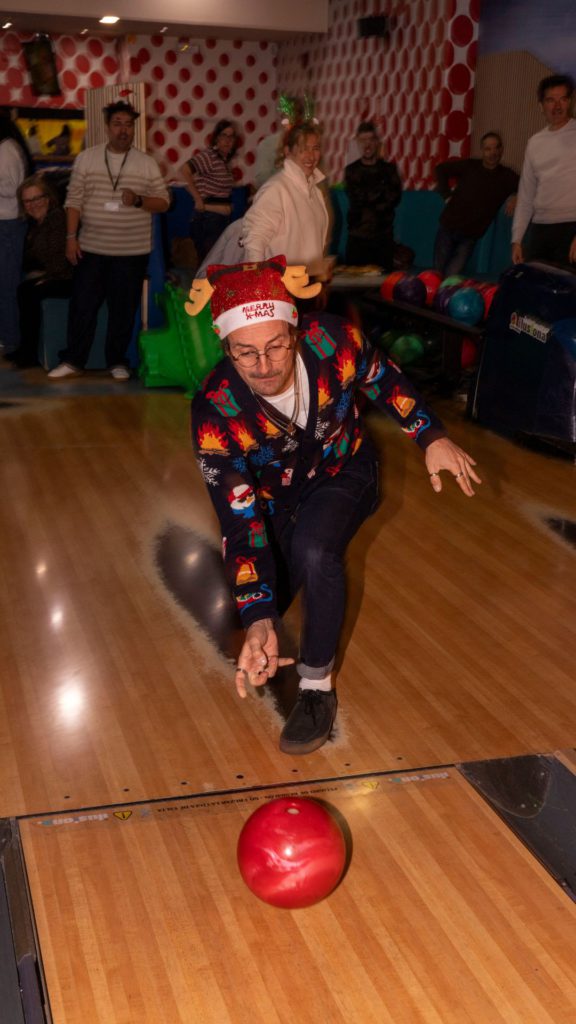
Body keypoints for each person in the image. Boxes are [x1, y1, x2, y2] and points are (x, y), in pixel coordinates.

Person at [189, 256, 480, 755]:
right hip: (272, 501)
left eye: (276, 345)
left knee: (315, 551)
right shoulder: (216, 411)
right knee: (257, 609)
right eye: (245, 353)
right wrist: (259, 617)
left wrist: (429, 435)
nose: (264, 365)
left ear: (295, 330)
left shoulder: (334, 341)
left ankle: (317, 687)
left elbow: (385, 379)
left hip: (345, 470)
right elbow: (240, 522)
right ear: (226, 348)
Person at [48, 101, 169, 380]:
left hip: (132, 252)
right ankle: (73, 360)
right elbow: (73, 200)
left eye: (128, 124)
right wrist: (70, 238)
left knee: (123, 310)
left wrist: (138, 200)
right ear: (107, 127)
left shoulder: (147, 163)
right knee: (82, 306)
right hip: (91, 249)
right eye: (117, 124)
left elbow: (163, 202)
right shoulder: (87, 158)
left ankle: (117, 361)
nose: (123, 130)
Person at [241, 122, 330, 276]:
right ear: (288, 151)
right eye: (303, 149)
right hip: (280, 285)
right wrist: (258, 282)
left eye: (315, 148)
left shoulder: (315, 192)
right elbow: (254, 241)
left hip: (310, 284)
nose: (311, 156)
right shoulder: (275, 189)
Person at [5, 174, 72, 368]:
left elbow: (60, 258)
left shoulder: (57, 218)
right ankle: (26, 349)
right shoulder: (36, 224)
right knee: (24, 289)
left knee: (29, 292)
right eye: (27, 201)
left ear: (48, 198)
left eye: (37, 198)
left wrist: (48, 277)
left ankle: (29, 353)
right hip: (54, 274)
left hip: (67, 277)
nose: (33, 204)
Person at [512, 75, 576, 267]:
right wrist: (517, 239)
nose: (557, 106)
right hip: (540, 229)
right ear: (541, 105)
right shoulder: (534, 143)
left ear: (570, 101)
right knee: (533, 284)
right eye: (550, 100)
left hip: (571, 226)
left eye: (563, 99)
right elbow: (526, 195)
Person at [434, 132, 519, 277]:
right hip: (448, 227)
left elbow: (528, 185)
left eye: (496, 148)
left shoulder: (507, 176)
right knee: (437, 274)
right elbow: (440, 169)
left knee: (451, 276)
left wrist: (518, 196)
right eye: (488, 149)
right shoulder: (470, 166)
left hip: (470, 237)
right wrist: (446, 195)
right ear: (482, 151)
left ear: (501, 149)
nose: (493, 153)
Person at [344, 121, 402, 269]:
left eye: (370, 139)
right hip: (357, 238)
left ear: (377, 142)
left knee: (383, 281)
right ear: (358, 143)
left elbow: (393, 199)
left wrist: (370, 196)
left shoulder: (389, 170)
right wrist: (380, 192)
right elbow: (358, 199)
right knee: (353, 281)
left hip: (383, 238)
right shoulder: (351, 171)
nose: (367, 144)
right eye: (363, 140)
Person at [0, 113, 34, 355]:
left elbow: (13, 188)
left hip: (9, 224)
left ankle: (10, 338)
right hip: (8, 223)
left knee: (8, 284)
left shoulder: (6, 150)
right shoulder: (9, 147)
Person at [180, 120, 237, 264]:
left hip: (219, 219)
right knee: (209, 264)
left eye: (231, 137)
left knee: (216, 263)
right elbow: (184, 170)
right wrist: (198, 199)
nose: (227, 140)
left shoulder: (223, 161)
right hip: (208, 219)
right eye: (224, 135)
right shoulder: (209, 156)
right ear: (217, 138)